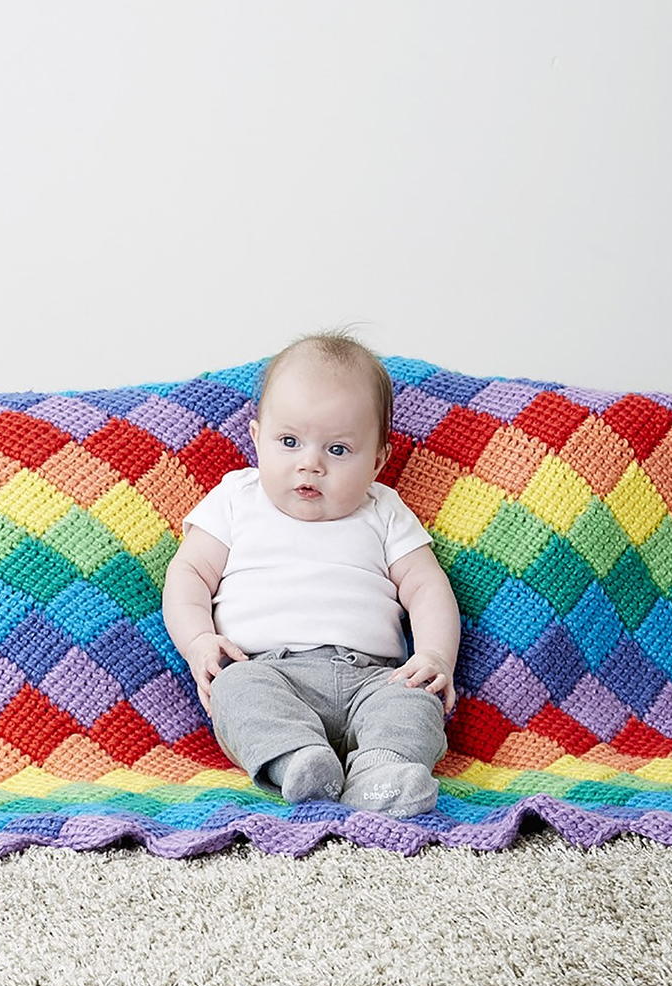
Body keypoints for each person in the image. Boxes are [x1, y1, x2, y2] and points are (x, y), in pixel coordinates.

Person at [161, 328, 460, 818]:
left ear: (378, 460)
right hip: (267, 668)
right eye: (289, 441)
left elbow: (427, 586)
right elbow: (189, 572)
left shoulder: (383, 510)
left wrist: (433, 655)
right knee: (234, 691)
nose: (310, 464)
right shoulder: (237, 498)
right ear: (257, 438)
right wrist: (198, 642)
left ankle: (382, 771)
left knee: (415, 701)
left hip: (373, 677)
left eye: (338, 450)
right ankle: (298, 760)